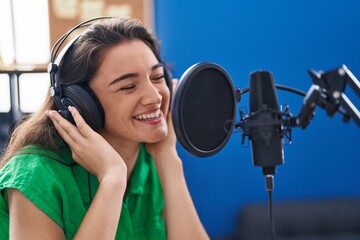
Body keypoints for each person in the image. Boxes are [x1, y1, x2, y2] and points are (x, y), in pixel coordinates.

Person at [0, 17, 209, 240]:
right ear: (81, 102)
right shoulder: (35, 175)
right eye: (128, 86)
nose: (155, 96)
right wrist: (112, 179)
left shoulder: (150, 160)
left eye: (157, 77)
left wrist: (166, 156)